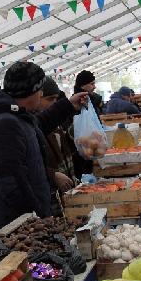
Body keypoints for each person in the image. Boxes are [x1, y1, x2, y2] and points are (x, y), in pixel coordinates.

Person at [0, 61, 87, 248]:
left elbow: (38, 125)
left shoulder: (15, 117)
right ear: (33, 91)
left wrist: (68, 105)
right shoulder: (5, 125)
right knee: (32, 276)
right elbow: (10, 184)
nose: (42, 94)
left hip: (24, 226)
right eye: (41, 90)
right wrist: (36, 219)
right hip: (12, 231)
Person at [38, 77, 78, 216]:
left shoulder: (56, 124)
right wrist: (52, 175)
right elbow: (27, 164)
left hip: (63, 189)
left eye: (56, 99)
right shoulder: (30, 126)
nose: (53, 103)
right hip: (48, 194)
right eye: (50, 99)